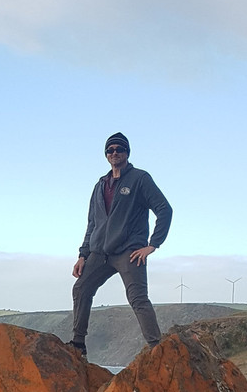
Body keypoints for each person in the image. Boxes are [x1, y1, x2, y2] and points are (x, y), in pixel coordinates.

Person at [68, 132, 173, 356]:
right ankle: (78, 344)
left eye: (119, 149)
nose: (114, 153)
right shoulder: (100, 185)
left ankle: (157, 349)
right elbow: (92, 223)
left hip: (129, 251)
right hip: (99, 252)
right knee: (81, 288)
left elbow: (164, 209)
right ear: (106, 154)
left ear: (127, 152)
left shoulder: (140, 179)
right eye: (110, 150)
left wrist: (152, 245)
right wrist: (82, 255)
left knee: (137, 298)